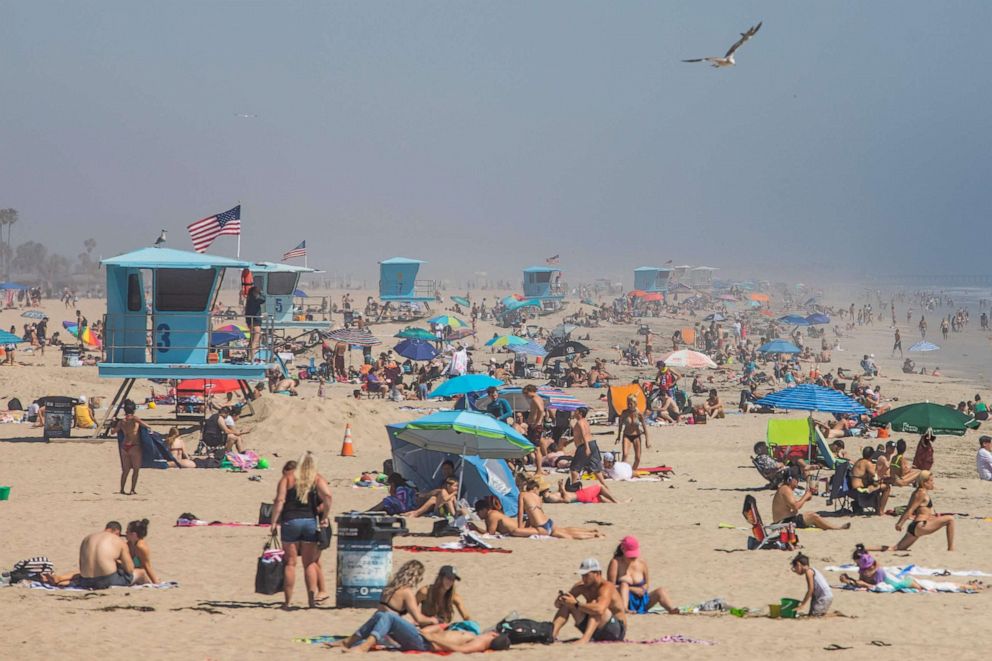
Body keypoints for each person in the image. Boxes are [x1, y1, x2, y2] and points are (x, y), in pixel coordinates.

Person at [269, 451, 334, 608]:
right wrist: (325, 516)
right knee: (310, 563)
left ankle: (287, 602)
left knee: (290, 563)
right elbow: (328, 496)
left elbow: (280, 500)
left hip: (290, 521)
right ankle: (311, 602)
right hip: (309, 522)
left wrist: (273, 522)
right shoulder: (316, 478)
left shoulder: (287, 478)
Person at [336, 615, 510, 653]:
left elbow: (460, 650)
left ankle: (363, 646)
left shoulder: (480, 642)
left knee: (389, 617)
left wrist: (433, 637)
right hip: (425, 638)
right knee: (382, 616)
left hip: (425, 643)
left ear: (493, 636)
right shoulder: (477, 636)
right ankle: (349, 642)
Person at [552, 558, 627, 643]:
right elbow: (557, 605)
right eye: (582, 575)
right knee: (567, 604)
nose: (584, 578)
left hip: (615, 630)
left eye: (586, 575)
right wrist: (561, 600)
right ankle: (552, 635)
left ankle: (585, 639)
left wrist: (576, 604)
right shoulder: (582, 586)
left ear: (597, 573)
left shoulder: (607, 587)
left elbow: (600, 609)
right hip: (595, 628)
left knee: (595, 604)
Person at [606, 536, 678, 614]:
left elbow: (647, 584)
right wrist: (631, 589)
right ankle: (625, 609)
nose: (633, 557)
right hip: (621, 600)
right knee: (624, 585)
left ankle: (671, 609)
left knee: (660, 591)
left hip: (641, 601)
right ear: (623, 549)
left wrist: (643, 590)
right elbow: (610, 587)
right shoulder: (615, 562)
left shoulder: (642, 562)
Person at [518, 479, 603, 538]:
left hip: (541, 526)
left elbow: (520, 512)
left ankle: (592, 535)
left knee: (569, 536)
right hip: (548, 522)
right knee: (565, 530)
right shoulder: (538, 499)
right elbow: (539, 513)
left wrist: (519, 527)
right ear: (534, 488)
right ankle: (590, 531)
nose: (538, 492)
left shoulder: (523, 494)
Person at [772, 468, 851, 531]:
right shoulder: (785, 490)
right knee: (813, 516)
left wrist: (805, 498)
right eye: (796, 479)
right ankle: (836, 528)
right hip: (783, 523)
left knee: (811, 514)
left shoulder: (784, 489)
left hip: (785, 520)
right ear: (790, 479)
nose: (798, 481)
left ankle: (829, 526)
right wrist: (805, 496)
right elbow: (796, 506)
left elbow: (793, 506)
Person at [893, 471, 955, 551]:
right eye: (931, 481)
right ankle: (951, 549)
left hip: (915, 527)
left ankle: (870, 548)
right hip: (921, 525)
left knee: (895, 548)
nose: (933, 483)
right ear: (924, 482)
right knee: (950, 519)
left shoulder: (919, 492)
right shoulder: (921, 493)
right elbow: (910, 509)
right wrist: (900, 523)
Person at [75, 521, 135, 589]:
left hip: (85, 581)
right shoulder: (118, 540)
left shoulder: (87, 538)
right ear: (117, 532)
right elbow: (130, 569)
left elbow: (81, 564)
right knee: (136, 574)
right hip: (107, 580)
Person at [569, 408, 613, 498]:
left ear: (580, 413)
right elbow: (580, 434)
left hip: (585, 446)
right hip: (592, 444)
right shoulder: (585, 421)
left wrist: (586, 448)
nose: (574, 412)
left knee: (574, 468)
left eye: (576, 411)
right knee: (596, 468)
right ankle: (605, 485)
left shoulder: (580, 422)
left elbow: (584, 434)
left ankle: (573, 486)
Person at [840, 547, 922, 591]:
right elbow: (862, 582)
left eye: (858, 563)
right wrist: (849, 579)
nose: (857, 565)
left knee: (918, 587)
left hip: (900, 583)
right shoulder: (862, 570)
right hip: (893, 583)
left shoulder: (878, 571)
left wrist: (864, 584)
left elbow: (880, 587)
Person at [114, 399, 149, 495]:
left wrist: (115, 423)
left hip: (124, 446)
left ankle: (122, 489)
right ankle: (132, 490)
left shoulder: (122, 421)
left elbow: (113, 431)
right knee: (136, 470)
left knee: (125, 470)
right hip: (134, 446)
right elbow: (147, 426)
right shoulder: (134, 419)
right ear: (133, 410)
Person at [850, 445, 891, 516]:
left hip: (852, 488)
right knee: (887, 487)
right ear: (871, 455)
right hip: (860, 490)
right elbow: (875, 476)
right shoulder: (867, 463)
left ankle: (877, 508)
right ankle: (880, 511)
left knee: (876, 486)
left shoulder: (859, 461)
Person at [615, 394, 647, 471]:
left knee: (638, 458)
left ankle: (632, 471)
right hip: (627, 435)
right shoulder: (624, 412)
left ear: (635, 404)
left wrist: (647, 440)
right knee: (625, 455)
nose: (629, 405)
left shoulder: (639, 414)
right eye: (628, 403)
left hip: (637, 435)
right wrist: (618, 436)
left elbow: (644, 427)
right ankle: (621, 471)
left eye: (631, 403)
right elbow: (620, 425)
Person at [125, 519, 160, 585]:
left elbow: (147, 566)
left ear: (134, 534)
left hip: (141, 577)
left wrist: (156, 583)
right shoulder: (128, 544)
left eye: (127, 531)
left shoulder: (141, 547)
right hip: (133, 574)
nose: (125, 533)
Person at [523, 385, 547, 475]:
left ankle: (539, 470)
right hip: (535, 425)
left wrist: (536, 422)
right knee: (536, 448)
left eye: (526, 393)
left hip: (535, 426)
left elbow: (541, 410)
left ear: (530, 391)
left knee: (536, 449)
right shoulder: (538, 398)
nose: (526, 396)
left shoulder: (535, 398)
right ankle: (539, 469)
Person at [244, 285, 265, 360]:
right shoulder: (255, 299)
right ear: (254, 292)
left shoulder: (249, 299)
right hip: (256, 321)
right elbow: (263, 299)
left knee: (251, 340)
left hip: (250, 320)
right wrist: (261, 293)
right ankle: (252, 358)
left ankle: (249, 357)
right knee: (255, 340)